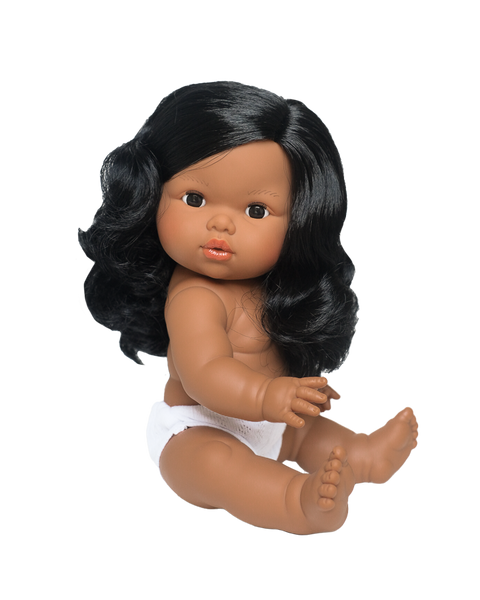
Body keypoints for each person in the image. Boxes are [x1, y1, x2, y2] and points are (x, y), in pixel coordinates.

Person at [76, 80, 420, 536]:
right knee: (217, 463)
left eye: (256, 211)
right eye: (195, 200)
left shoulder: (274, 285)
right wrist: (267, 397)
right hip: (194, 428)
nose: (221, 223)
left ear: (299, 221)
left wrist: (289, 399)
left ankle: (364, 456)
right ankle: (296, 503)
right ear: (152, 194)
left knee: (309, 431)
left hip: (272, 422)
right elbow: (205, 373)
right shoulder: (194, 296)